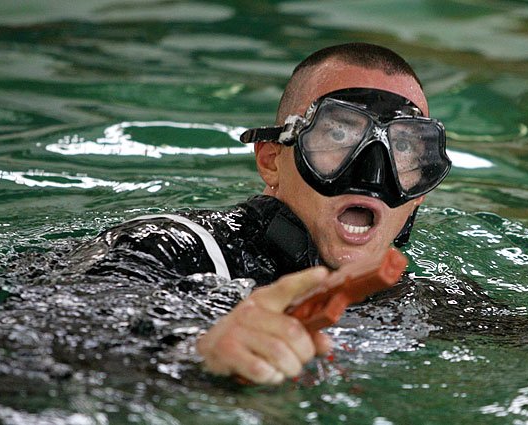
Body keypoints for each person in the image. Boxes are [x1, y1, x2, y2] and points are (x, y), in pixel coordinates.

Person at [59, 42, 451, 384]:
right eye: (338, 134)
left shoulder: (420, 302)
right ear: (270, 161)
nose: (373, 175)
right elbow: (55, 342)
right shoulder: (171, 248)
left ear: (419, 194)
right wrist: (194, 355)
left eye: (404, 147)